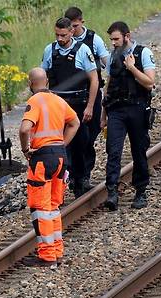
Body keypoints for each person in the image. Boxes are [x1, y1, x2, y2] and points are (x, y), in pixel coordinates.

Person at [19, 68, 80, 267]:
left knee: (41, 208)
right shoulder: (59, 100)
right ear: (46, 81)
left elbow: (25, 128)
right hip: (60, 157)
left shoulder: (34, 101)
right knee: (54, 207)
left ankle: (46, 256)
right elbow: (75, 122)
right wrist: (62, 144)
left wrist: (25, 149)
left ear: (30, 84)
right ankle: (57, 251)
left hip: (42, 159)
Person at [101, 21, 156, 210]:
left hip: (138, 108)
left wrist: (132, 68)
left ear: (127, 36)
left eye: (116, 39)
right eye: (111, 39)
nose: (114, 43)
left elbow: (149, 83)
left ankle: (140, 191)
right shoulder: (113, 56)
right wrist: (103, 114)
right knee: (113, 151)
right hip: (116, 109)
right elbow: (108, 86)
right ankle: (112, 192)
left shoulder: (143, 53)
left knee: (138, 150)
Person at [41, 17, 98, 198]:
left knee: (81, 143)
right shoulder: (50, 50)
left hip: (77, 105)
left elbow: (94, 79)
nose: (60, 39)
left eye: (63, 35)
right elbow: (43, 77)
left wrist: (90, 106)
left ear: (71, 32)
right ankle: (65, 181)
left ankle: (81, 179)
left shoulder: (83, 50)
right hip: (57, 105)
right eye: (57, 35)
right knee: (60, 146)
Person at [65, 7, 111, 190]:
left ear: (81, 22)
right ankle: (75, 174)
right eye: (71, 27)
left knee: (88, 136)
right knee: (71, 137)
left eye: (75, 26)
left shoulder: (94, 39)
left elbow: (107, 62)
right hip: (70, 98)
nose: (73, 30)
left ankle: (84, 173)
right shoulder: (63, 43)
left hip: (91, 95)